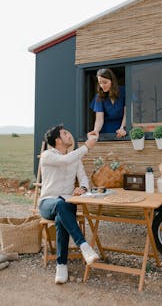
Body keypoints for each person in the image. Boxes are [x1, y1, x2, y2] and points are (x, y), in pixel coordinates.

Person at [39, 124, 99, 284]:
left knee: (61, 217)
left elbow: (84, 178)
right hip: (48, 203)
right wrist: (86, 146)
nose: (69, 135)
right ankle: (84, 246)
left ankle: (61, 265)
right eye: (65, 133)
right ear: (58, 140)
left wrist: (83, 187)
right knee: (60, 205)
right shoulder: (47, 155)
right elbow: (65, 160)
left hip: (68, 203)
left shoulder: (75, 159)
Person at [89, 68, 126, 139]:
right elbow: (99, 118)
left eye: (105, 82)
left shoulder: (124, 91)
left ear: (112, 81)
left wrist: (122, 128)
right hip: (106, 132)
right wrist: (96, 131)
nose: (102, 85)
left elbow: (127, 113)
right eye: (100, 83)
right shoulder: (99, 96)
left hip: (122, 129)